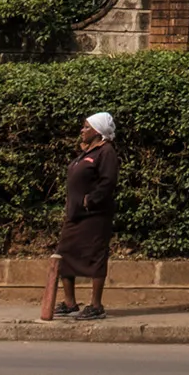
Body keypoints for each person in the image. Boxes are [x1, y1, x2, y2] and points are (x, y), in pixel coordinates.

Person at [53, 112, 119, 320]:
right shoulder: (86, 152)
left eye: (86, 127)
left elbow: (108, 182)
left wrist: (90, 200)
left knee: (96, 255)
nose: (82, 130)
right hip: (74, 215)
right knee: (64, 253)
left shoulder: (106, 152)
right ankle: (70, 302)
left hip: (94, 215)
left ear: (98, 131)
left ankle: (96, 305)